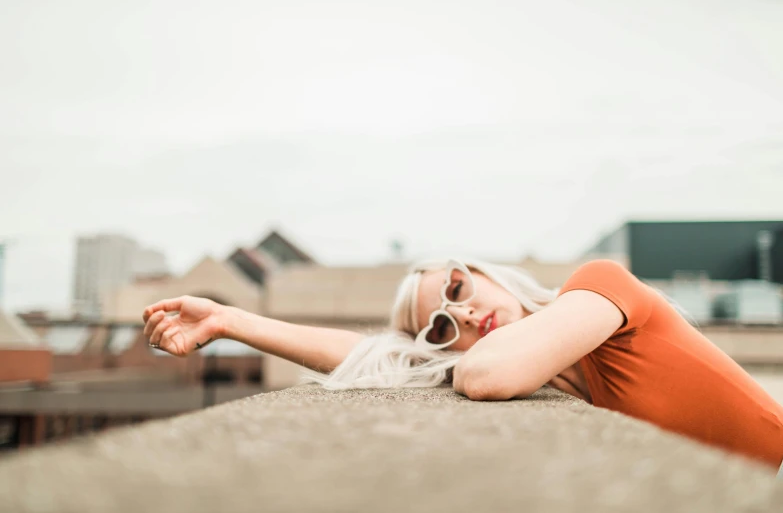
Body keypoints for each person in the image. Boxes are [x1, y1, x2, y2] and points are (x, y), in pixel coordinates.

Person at [142, 258, 783, 474]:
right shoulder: (528, 365)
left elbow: (488, 377)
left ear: (484, 270)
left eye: (458, 286)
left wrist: (450, 353)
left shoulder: (598, 288)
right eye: (443, 326)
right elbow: (374, 358)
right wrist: (232, 322)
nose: (468, 314)